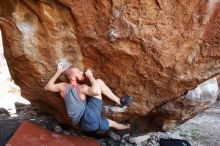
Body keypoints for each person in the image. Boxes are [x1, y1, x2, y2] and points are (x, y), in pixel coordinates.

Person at [45, 62, 133, 133]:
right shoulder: (81, 88)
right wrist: (91, 76)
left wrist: (58, 72)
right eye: (79, 72)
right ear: (73, 78)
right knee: (98, 82)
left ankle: (128, 126)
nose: (81, 72)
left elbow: (47, 87)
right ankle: (119, 102)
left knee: (114, 124)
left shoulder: (62, 87)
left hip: (86, 125)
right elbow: (96, 91)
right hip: (89, 116)